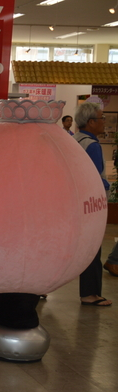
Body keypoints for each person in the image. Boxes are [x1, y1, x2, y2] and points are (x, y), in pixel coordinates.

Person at [74, 102, 112, 306]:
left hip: (75, 201)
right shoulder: (93, 146)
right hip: (91, 204)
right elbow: (96, 178)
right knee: (92, 249)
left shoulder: (74, 140)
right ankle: (90, 294)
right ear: (91, 122)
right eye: (101, 118)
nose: (104, 121)